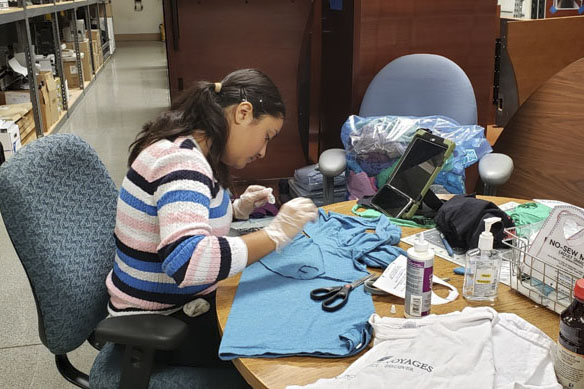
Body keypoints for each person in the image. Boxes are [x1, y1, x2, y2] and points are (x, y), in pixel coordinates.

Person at [105, 69, 318, 372]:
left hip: (177, 306)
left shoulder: (193, 148)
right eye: (266, 136)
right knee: (288, 347)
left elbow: (184, 215)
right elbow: (187, 261)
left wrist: (236, 208)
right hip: (159, 324)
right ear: (243, 113)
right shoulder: (182, 162)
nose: (262, 151)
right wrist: (275, 233)